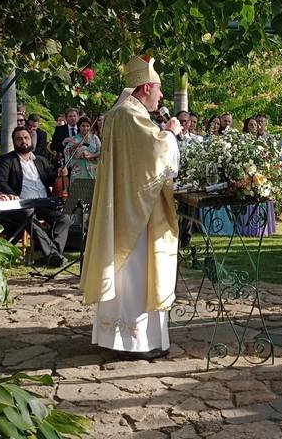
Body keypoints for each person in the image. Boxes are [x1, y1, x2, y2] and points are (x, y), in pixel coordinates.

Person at [80, 55, 182, 360]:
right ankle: (135, 342)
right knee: (136, 273)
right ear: (147, 86)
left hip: (125, 204)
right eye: (159, 89)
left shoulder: (121, 112)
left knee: (130, 274)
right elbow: (155, 155)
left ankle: (121, 338)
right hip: (135, 213)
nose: (161, 96)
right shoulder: (129, 114)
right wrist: (172, 133)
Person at [0, 126, 73, 266]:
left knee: (64, 219)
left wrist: (60, 174)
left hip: (44, 203)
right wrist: (12, 196)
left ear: (31, 140)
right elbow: (0, 181)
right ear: (14, 142)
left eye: (26, 138)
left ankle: (51, 255)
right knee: (29, 216)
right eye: (19, 139)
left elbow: (50, 178)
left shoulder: (40, 160)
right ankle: (53, 255)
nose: (23, 141)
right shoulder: (7, 160)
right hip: (23, 204)